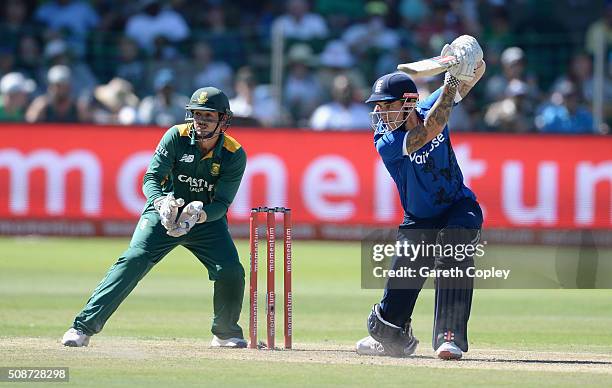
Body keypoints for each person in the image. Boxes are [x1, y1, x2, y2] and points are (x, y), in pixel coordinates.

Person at [62, 86, 248, 348]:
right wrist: (160, 202)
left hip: (203, 219)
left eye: (208, 116)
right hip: (165, 212)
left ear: (223, 119)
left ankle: (225, 333)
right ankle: (81, 328)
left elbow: (222, 203)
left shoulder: (234, 153)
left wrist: (199, 215)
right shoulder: (176, 136)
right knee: (134, 259)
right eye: (197, 114)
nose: (201, 121)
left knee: (230, 270)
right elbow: (151, 178)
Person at [356, 35, 486, 360]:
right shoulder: (385, 141)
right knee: (384, 324)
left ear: (408, 103)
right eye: (377, 107)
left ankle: (449, 336)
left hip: (458, 205)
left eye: (386, 105)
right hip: (419, 218)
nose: (380, 113)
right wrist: (452, 80)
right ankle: (392, 334)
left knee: (453, 244)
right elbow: (428, 130)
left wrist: (466, 59)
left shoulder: (428, 105)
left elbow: (475, 76)